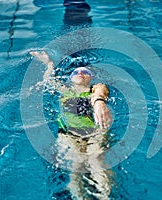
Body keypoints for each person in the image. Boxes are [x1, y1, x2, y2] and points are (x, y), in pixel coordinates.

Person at [30, 51, 113, 199]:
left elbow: (102, 90)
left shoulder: (94, 89)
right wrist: (49, 63)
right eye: (76, 71)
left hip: (94, 133)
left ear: (91, 78)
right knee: (76, 166)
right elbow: (49, 80)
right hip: (69, 134)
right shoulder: (64, 91)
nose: (80, 72)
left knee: (96, 161)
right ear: (70, 78)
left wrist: (99, 101)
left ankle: (105, 197)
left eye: (85, 71)